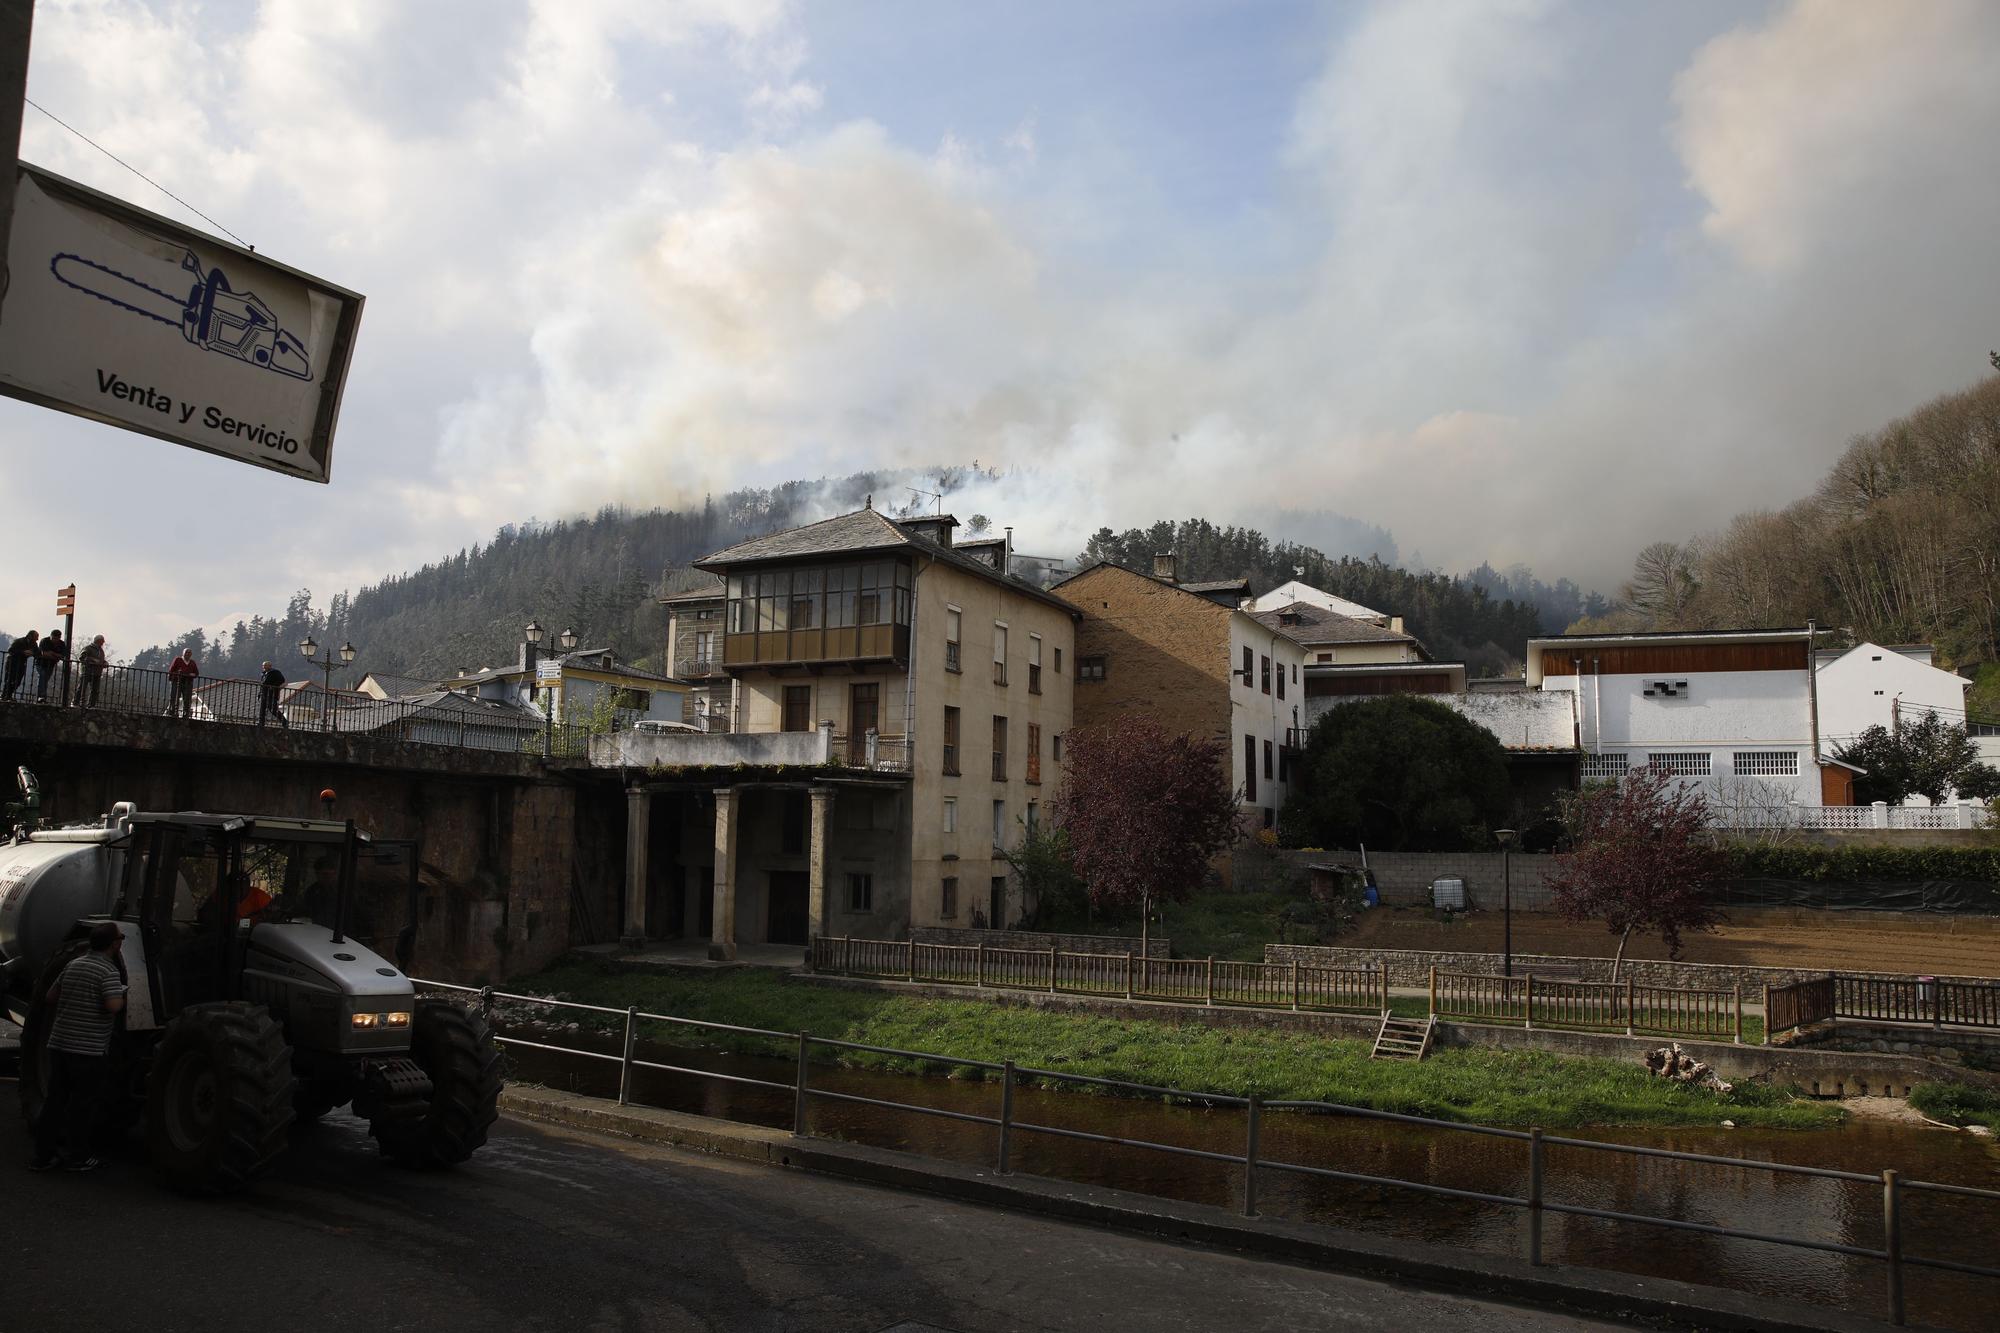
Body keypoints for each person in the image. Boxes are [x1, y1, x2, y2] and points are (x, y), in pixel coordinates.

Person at [31, 922, 128, 1171]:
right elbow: (113, 1006)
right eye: (121, 938)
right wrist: (121, 994)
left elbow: (50, 997)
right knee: (82, 1105)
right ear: (114, 944)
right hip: (87, 1050)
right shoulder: (107, 972)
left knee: (55, 1101)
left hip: (60, 1044)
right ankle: (78, 1157)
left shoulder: (72, 965)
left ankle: (43, 1157)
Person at [2, 629, 36, 703]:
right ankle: (5, 696)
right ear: (30, 636)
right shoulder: (19, 641)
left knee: (18, 681)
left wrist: (32, 653)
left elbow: (37, 652)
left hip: (21, 663)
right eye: (36, 636)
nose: (37, 638)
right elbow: (10, 650)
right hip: (12, 662)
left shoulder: (34, 644)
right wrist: (23, 652)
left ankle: (9, 695)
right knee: (9, 679)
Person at [36, 629, 69, 702]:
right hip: (40, 663)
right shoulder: (44, 641)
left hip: (50, 665)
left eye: (57, 638)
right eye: (54, 638)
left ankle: (41, 697)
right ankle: (41, 696)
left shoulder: (62, 644)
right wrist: (55, 656)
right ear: (51, 636)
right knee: (42, 676)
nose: (55, 640)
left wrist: (51, 653)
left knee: (45, 680)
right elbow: (43, 653)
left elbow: (62, 656)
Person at [74, 635, 108, 707]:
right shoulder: (88, 648)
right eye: (102, 640)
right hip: (86, 671)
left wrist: (104, 663)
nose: (103, 642)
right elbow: (82, 657)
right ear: (98, 640)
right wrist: (93, 660)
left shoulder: (101, 651)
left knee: (94, 690)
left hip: (97, 672)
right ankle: (76, 703)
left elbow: (101, 660)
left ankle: (91, 705)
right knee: (82, 688)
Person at [166, 648, 198, 719]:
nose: (188, 654)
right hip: (176, 681)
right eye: (186, 652)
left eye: (189, 652)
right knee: (174, 696)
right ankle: (172, 712)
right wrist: (176, 676)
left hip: (187, 683)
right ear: (183, 653)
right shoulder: (178, 660)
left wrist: (191, 675)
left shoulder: (192, 663)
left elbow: (196, 673)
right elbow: (171, 670)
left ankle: (186, 713)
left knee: (187, 698)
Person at [257, 660, 288, 728]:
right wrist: (259, 694)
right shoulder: (264, 673)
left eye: (265, 665)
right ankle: (261, 723)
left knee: (273, 709)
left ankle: (284, 722)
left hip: (272, 694)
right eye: (263, 665)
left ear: (270, 666)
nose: (263, 667)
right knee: (262, 709)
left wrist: (273, 686)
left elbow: (282, 680)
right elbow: (262, 684)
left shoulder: (275, 672)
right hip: (264, 693)